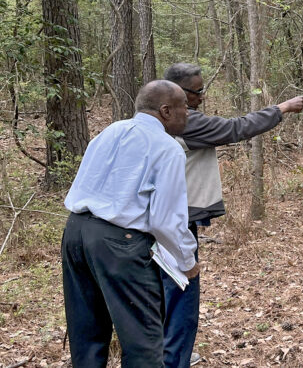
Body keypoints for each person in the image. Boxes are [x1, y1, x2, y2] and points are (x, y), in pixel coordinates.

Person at [160, 63, 303, 368]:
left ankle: (170, 354)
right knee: (181, 291)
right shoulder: (184, 122)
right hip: (175, 222)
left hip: (158, 219)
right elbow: (236, 128)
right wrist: (282, 108)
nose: (202, 97)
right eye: (197, 92)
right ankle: (174, 359)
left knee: (164, 292)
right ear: (178, 94)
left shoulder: (154, 119)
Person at [62, 80, 200, 368]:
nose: (188, 114)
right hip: (120, 245)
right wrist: (187, 260)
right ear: (165, 111)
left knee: (87, 337)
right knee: (143, 345)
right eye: (184, 108)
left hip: (75, 233)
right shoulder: (167, 148)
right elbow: (166, 221)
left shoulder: (110, 132)